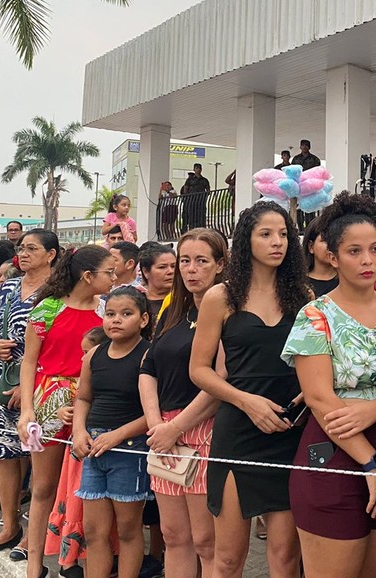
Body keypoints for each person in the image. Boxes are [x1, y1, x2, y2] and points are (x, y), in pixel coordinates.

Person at [282, 192, 376, 578]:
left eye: (374, 248)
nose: (368, 260)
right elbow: (321, 399)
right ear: (333, 257)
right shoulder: (315, 315)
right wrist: (372, 465)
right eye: (354, 251)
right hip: (335, 456)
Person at [190, 202, 311, 578]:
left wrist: (309, 393)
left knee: (286, 558)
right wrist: (247, 402)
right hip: (239, 430)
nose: (278, 242)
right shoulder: (221, 297)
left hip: (290, 430)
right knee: (227, 559)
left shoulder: (303, 295)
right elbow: (199, 370)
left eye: (284, 235)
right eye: (266, 234)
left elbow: (318, 361)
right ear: (247, 240)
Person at [18, 245, 115, 578]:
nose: (114, 279)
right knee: (42, 487)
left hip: (93, 402)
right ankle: (34, 562)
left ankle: (73, 558)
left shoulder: (108, 312)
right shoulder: (46, 309)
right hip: (48, 400)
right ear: (88, 277)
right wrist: (27, 410)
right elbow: (29, 360)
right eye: (109, 273)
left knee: (85, 488)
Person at [141, 229, 228, 578]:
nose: (191, 270)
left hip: (204, 430)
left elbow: (220, 381)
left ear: (220, 265)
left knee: (206, 541)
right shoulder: (173, 310)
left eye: (202, 261)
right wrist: (157, 426)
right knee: (173, 535)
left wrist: (176, 427)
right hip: (163, 432)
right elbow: (148, 368)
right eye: (185, 262)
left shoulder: (228, 311)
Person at [0, 229, 59, 560]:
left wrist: (30, 387)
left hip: (42, 384)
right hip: (3, 379)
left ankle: (35, 534)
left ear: (51, 254)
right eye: (21, 248)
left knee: (39, 457)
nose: (23, 254)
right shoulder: (8, 286)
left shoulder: (59, 290)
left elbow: (61, 345)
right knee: (5, 453)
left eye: (32, 249)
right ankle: (10, 526)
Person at [72, 287, 152, 578]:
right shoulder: (94, 354)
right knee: (94, 531)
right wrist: (79, 431)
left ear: (143, 320)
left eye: (126, 314)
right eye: (110, 314)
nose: (116, 320)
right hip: (94, 447)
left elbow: (154, 413)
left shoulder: (148, 355)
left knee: (129, 530)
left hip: (130, 450)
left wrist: (117, 435)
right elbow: (83, 398)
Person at [139, 245, 176, 323]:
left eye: (173, 266)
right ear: (146, 271)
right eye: (162, 267)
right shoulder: (136, 302)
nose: (170, 271)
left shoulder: (184, 301)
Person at [303, 217, 338, 297]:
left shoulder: (347, 280)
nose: (331, 245)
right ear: (311, 247)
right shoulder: (300, 284)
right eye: (324, 240)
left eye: (334, 239)